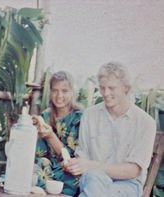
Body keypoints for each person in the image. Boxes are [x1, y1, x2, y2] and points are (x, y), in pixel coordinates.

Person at [65, 62, 156, 196]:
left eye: (111, 88)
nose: (106, 93)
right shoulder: (89, 115)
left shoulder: (145, 122)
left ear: (126, 88)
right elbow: (82, 157)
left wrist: (91, 165)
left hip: (128, 184)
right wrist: (74, 165)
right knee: (94, 179)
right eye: (102, 88)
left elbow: (132, 171)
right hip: (93, 179)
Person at [32, 71, 83, 196]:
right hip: (47, 168)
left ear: (72, 93)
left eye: (64, 91)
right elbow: (40, 154)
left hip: (70, 172)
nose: (59, 96)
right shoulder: (46, 115)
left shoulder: (80, 118)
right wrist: (33, 129)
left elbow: (72, 158)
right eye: (55, 90)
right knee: (35, 169)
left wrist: (51, 136)